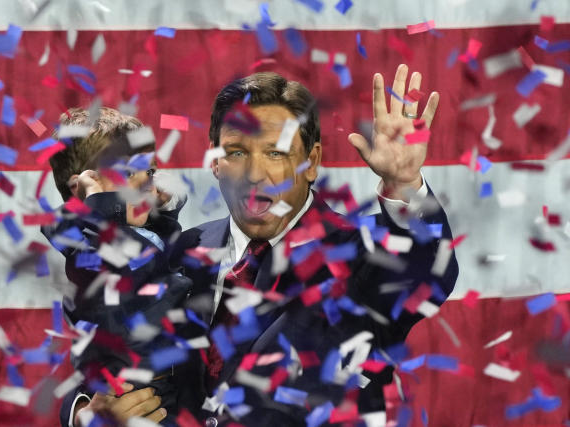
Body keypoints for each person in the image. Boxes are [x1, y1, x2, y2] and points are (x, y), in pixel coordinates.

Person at [63, 64, 459, 426]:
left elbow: (429, 275)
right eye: (237, 152)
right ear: (215, 162)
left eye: (276, 152)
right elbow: (105, 353)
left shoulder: (362, 254)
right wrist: (85, 413)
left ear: (313, 161)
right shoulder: (182, 251)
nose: (255, 173)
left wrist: (405, 185)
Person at [43, 107, 189, 426]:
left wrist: (166, 210)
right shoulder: (84, 244)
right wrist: (102, 208)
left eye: (149, 172)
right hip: (136, 397)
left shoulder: (138, 233)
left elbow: (152, 256)